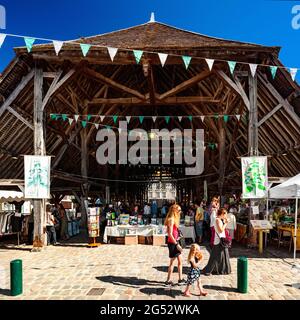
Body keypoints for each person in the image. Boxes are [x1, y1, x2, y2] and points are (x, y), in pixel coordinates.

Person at [202, 208, 232, 275]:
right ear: (222, 214)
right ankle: (212, 269)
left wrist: (224, 222)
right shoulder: (217, 220)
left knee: (219, 255)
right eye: (225, 214)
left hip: (220, 240)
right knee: (215, 256)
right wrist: (226, 223)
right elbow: (221, 230)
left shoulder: (219, 220)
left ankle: (220, 269)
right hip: (218, 240)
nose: (226, 216)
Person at [165, 204, 186, 286]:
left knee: (180, 261)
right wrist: (177, 244)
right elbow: (169, 234)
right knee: (172, 262)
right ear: (174, 210)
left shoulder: (175, 219)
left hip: (175, 242)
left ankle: (180, 279)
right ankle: (168, 280)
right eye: (179, 210)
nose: (180, 212)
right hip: (173, 243)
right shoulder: (171, 219)